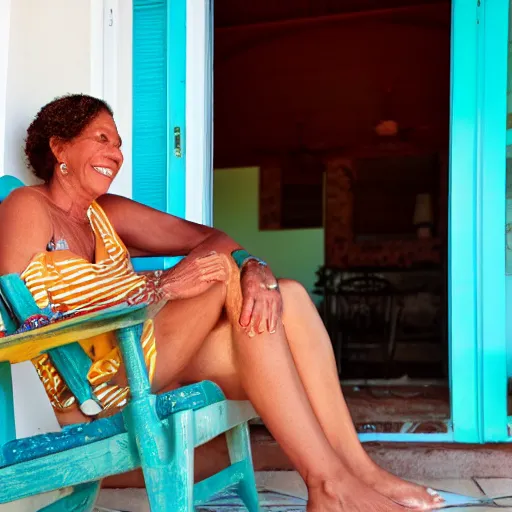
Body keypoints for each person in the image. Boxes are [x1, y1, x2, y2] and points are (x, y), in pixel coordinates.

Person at [0, 94, 444, 512]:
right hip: (95, 387)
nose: (116, 153)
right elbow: (18, 325)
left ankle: (356, 473)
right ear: (59, 147)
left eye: (118, 144)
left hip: (147, 353)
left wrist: (256, 267)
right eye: (102, 138)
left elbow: (213, 239)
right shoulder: (26, 205)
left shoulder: (107, 213)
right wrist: (161, 287)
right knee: (219, 272)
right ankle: (330, 485)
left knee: (284, 292)